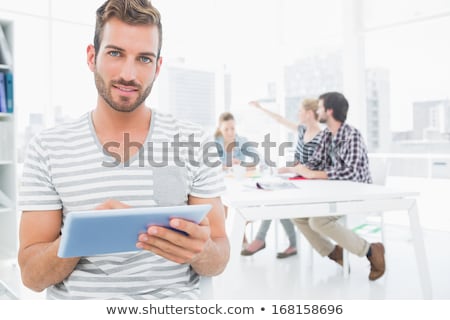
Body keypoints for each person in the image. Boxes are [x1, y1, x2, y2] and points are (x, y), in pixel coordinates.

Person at [18, 0, 229, 299]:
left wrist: (201, 249)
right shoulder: (47, 148)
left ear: (157, 67)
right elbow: (32, 276)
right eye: (115, 53)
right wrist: (82, 237)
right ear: (92, 57)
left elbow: (218, 258)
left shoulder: (194, 140)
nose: (129, 74)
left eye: (143, 59)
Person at [290, 91, 385, 281]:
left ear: (329, 111)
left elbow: (352, 173)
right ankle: (335, 253)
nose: (317, 110)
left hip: (356, 194)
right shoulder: (326, 135)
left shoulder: (352, 135)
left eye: (320, 107)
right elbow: (315, 163)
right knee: (296, 214)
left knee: (318, 221)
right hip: (334, 194)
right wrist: (293, 169)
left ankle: (370, 250)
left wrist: (312, 174)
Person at [242, 99, 323, 258]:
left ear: (309, 113)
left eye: (300, 110)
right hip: (297, 178)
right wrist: (261, 108)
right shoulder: (301, 130)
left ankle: (261, 240)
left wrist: (290, 168)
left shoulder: (321, 136)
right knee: (274, 200)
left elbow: (315, 168)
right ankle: (290, 244)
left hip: (311, 184)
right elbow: (279, 119)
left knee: (276, 203)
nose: (298, 113)